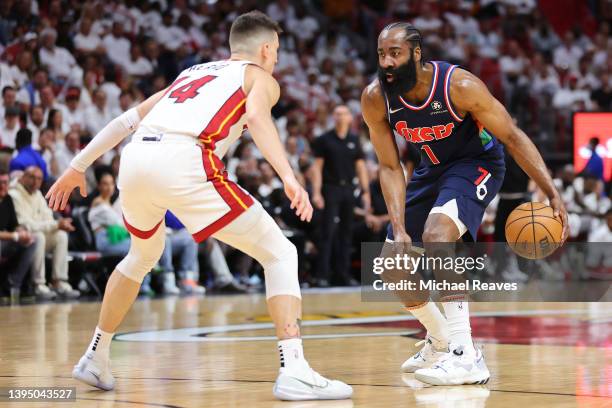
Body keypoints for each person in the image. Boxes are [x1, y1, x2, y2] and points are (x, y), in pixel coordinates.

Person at [46, 11, 352, 401]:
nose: (275, 59)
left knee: (142, 256)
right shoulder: (260, 77)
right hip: (187, 158)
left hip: (136, 158)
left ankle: (95, 356)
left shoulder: (192, 72)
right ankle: (294, 369)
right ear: (265, 49)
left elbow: (127, 121)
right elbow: (257, 118)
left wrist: (77, 167)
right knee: (280, 253)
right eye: (275, 52)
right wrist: (290, 177)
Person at [361, 23, 568, 386]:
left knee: (438, 235)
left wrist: (551, 190)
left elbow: (512, 136)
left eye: (395, 53)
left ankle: (466, 356)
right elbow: (390, 166)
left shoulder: (459, 86)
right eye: (382, 54)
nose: (387, 62)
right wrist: (397, 227)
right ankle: (441, 340)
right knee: (392, 265)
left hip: (478, 163)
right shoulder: (376, 98)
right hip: (432, 170)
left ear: (416, 53)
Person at [310, 105, 369, 287]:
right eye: (336, 114)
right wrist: (317, 192)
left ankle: (342, 275)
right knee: (327, 232)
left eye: (343, 113)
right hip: (330, 189)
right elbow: (317, 168)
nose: (339, 116)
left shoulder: (354, 139)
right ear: (332, 118)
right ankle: (322, 275)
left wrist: (365, 191)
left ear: (350, 118)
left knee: (346, 232)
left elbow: (360, 167)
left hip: (348, 190)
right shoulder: (324, 140)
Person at [10, 166, 79, 299]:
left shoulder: (38, 195)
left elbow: (49, 219)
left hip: (36, 236)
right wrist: (55, 224)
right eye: (32, 177)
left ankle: (58, 282)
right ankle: (38, 284)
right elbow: (26, 225)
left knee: (61, 235)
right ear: (23, 177)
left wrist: (57, 225)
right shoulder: (14, 195)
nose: (35, 182)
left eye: (39, 179)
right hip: (20, 240)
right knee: (39, 237)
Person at [0, 169, 37, 303]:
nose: (3, 186)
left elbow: (14, 224)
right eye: (0, 183)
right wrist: (16, 236)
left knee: (33, 240)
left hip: (6, 241)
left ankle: (12, 285)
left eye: (5, 182)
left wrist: (22, 232)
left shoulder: (8, 199)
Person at [88, 172, 130, 257]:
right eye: (105, 184)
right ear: (99, 186)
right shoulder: (98, 202)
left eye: (111, 183)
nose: (109, 187)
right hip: (104, 240)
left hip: (114, 238)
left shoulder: (109, 204)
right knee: (138, 247)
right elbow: (118, 223)